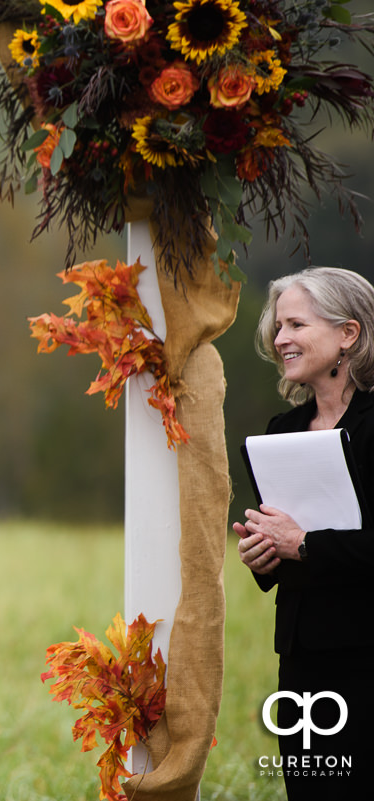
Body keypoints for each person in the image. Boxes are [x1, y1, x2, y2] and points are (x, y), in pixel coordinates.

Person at [233, 267, 374, 798]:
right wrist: (265, 552)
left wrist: (305, 544)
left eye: (296, 324)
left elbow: (309, 542)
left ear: (348, 334)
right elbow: (288, 544)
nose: (280, 338)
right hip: (300, 659)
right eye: (278, 326)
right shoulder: (281, 431)